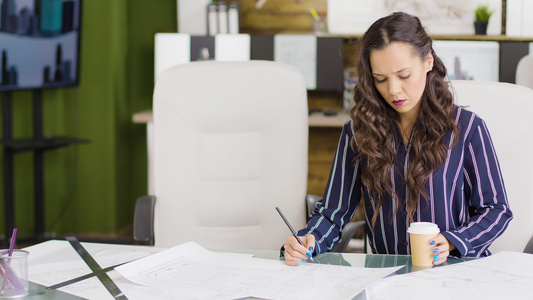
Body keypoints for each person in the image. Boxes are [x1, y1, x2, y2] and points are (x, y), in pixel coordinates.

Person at [283, 12, 512, 267]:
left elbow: (496, 210)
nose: (393, 90)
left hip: (454, 274)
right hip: (386, 276)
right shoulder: (358, 132)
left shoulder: (467, 128)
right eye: (380, 79)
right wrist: (309, 239)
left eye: (404, 75)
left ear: (428, 61)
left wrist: (453, 241)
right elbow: (333, 213)